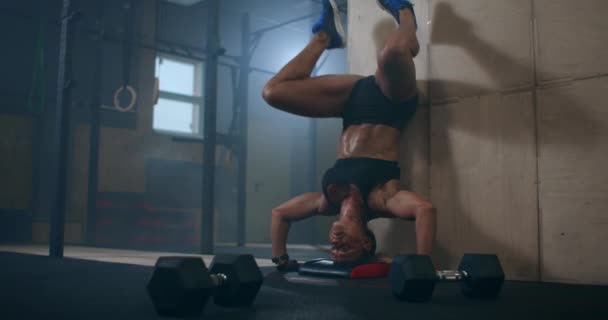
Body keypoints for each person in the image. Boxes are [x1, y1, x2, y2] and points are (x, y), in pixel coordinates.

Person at [263, 0, 436, 270]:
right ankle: (405, 13)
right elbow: (425, 211)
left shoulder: (327, 201)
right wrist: (425, 266)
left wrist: (281, 259)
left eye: (333, 248)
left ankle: (325, 37)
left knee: (273, 93)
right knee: (391, 53)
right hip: (391, 104)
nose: (335, 242)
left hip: (351, 103)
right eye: (344, 247)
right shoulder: (381, 200)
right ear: (367, 243)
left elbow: (280, 214)